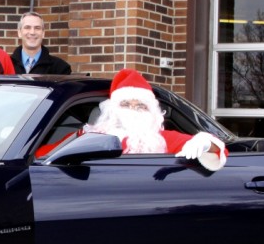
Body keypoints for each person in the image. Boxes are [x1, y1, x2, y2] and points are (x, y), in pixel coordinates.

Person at [83, 69, 227, 169]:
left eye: (141, 106)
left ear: (152, 112)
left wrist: (205, 143)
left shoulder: (162, 139)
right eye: (125, 104)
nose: (133, 110)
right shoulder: (92, 137)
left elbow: (218, 150)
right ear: (112, 110)